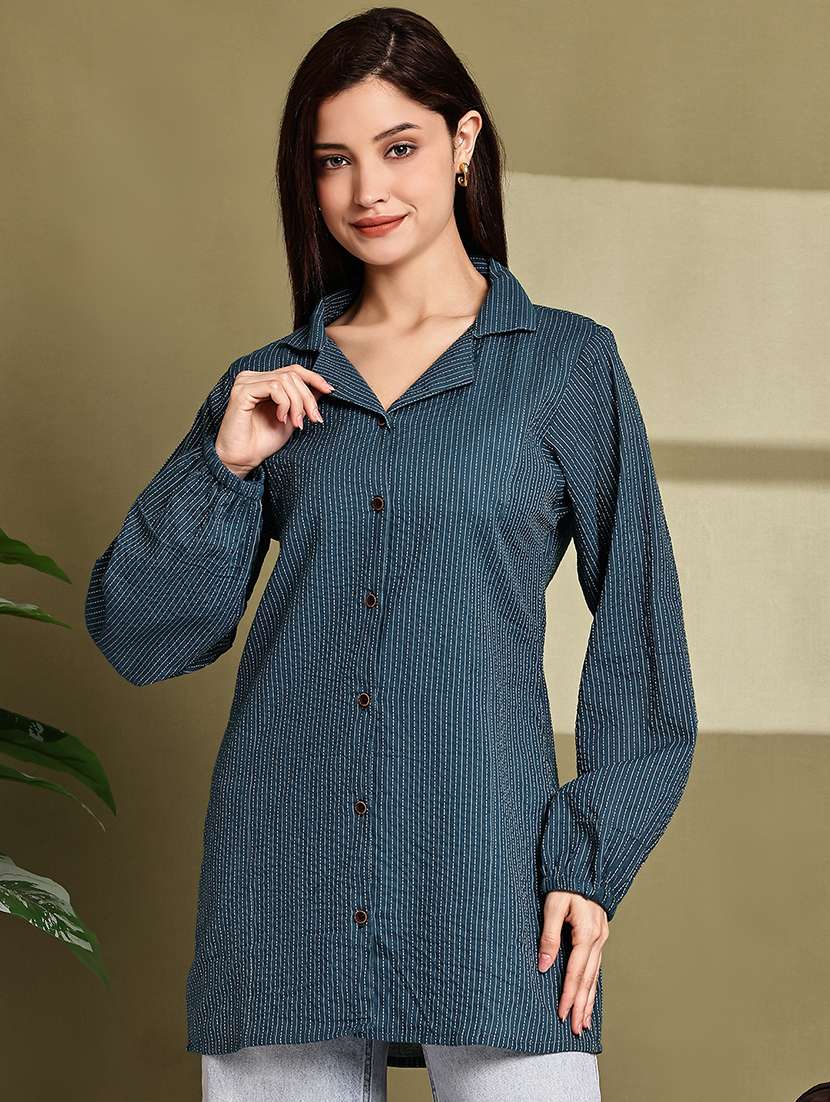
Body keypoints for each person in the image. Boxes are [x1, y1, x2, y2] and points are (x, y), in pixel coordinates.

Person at [84, 8, 698, 1101]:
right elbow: (140, 636)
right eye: (334, 160)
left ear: (463, 142)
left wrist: (589, 861)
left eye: (398, 146)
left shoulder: (566, 367)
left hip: (489, 867)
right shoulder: (273, 383)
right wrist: (222, 468)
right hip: (284, 880)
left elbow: (640, 631)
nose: (366, 188)